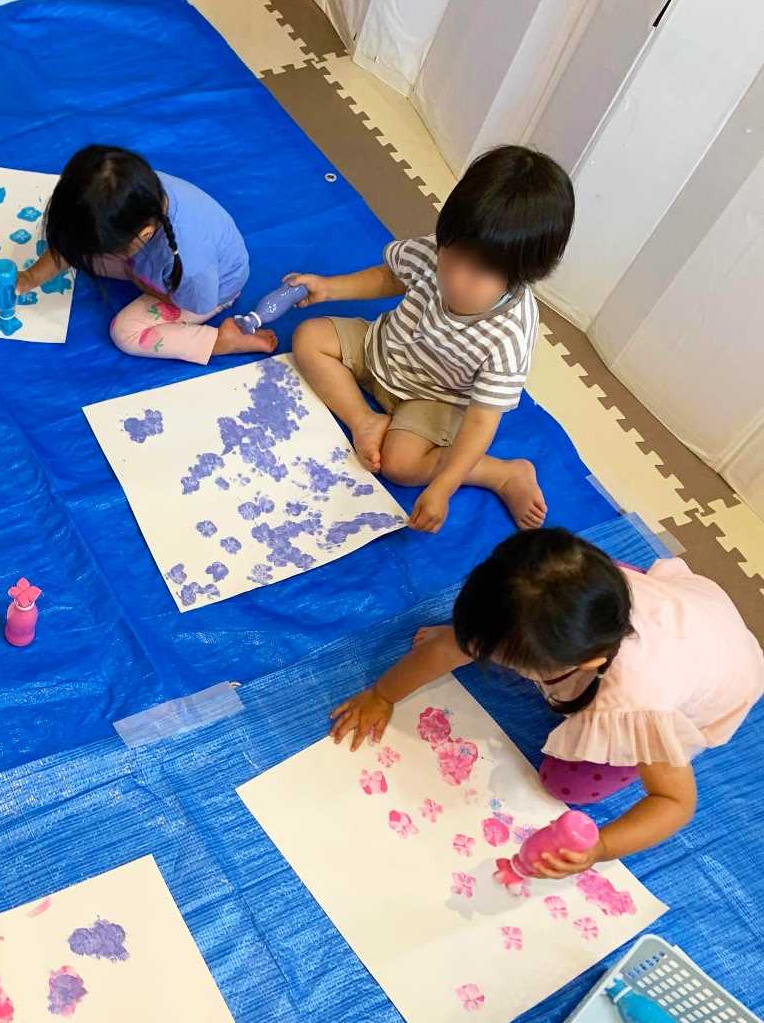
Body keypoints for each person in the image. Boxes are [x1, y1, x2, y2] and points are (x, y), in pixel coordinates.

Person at [329, 529, 764, 874]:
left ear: (585, 662)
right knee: (517, 619)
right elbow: (452, 647)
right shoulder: (569, 587)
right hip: (673, 606)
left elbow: (674, 802)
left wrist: (600, 847)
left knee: (566, 785)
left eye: (505, 660)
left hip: (719, 676)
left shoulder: (636, 703)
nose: (478, 655)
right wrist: (381, 695)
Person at [287, 145, 575, 533]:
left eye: (478, 273)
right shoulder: (442, 248)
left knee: (400, 465)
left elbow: (481, 421)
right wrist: (329, 288)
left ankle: (501, 474)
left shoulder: (509, 334)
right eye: (451, 256)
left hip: (436, 398)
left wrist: (444, 486)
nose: (454, 278)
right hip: (383, 349)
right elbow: (389, 276)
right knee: (309, 337)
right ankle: (364, 420)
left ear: (522, 274)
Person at [16, 144, 275, 362]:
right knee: (80, 247)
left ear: (144, 235)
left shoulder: (191, 266)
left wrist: (142, 283)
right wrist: (29, 278)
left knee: (125, 333)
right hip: (153, 261)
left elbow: (199, 303)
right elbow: (73, 244)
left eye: (108, 247)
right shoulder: (131, 192)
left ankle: (222, 342)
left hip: (210, 291)